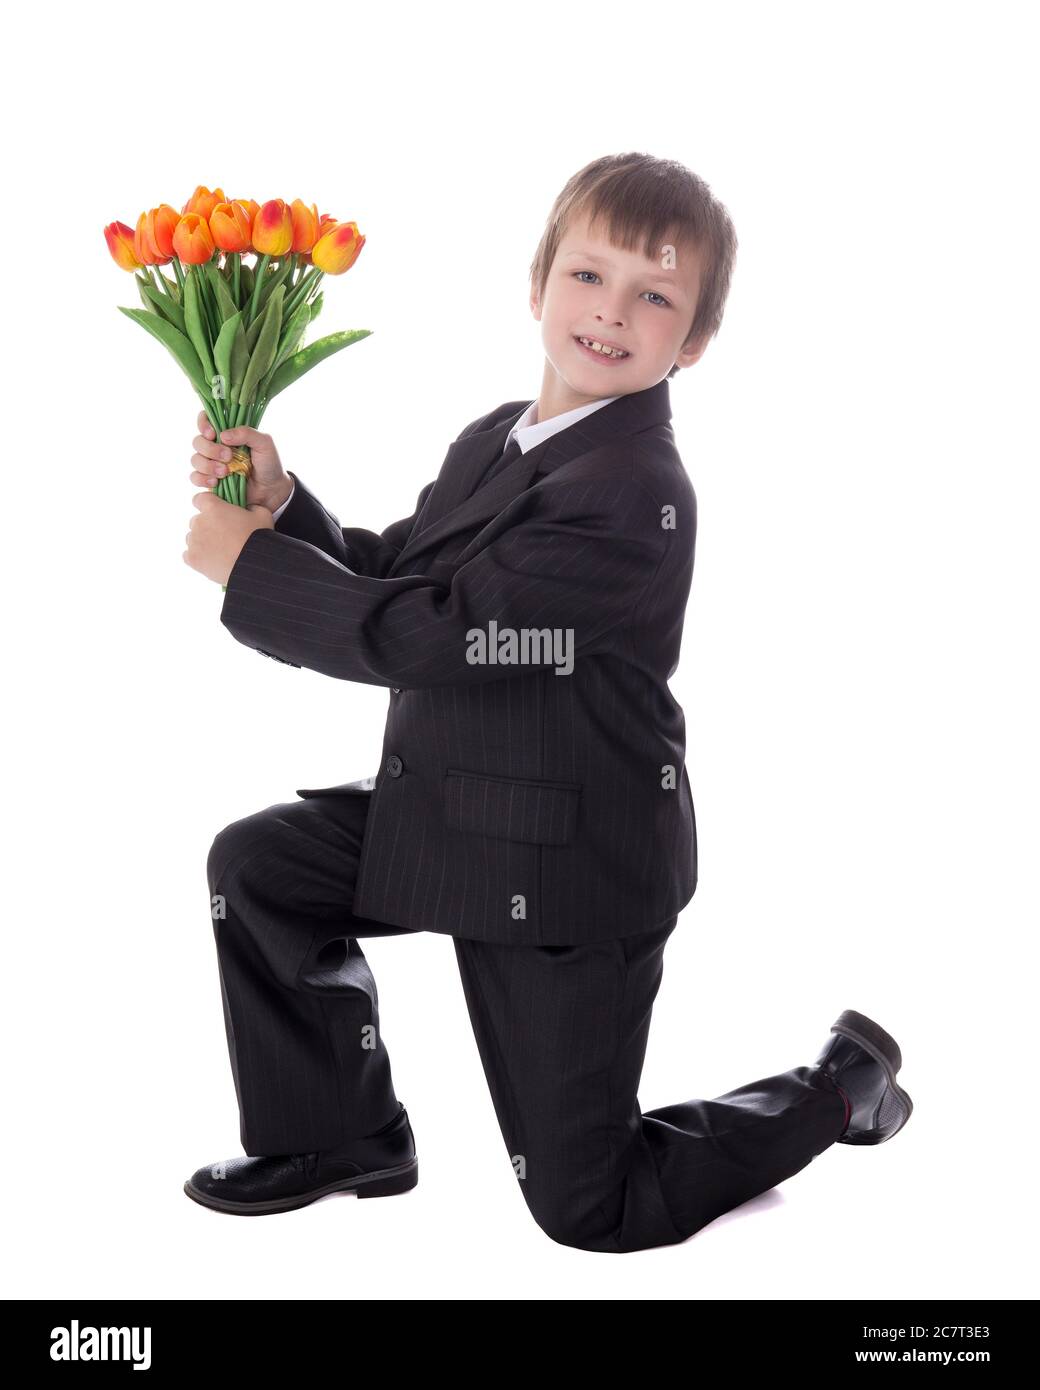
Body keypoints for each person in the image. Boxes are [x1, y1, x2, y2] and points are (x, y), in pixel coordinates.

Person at [180, 152, 913, 1251]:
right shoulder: (493, 435)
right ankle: (340, 1131)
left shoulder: (632, 492)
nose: (610, 313)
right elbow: (411, 577)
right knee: (260, 868)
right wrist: (283, 510)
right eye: (588, 276)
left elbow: (443, 639)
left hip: (563, 865)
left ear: (694, 341)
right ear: (537, 287)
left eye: (654, 296)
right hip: (456, 812)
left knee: (594, 1207)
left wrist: (250, 573)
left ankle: (836, 1089)